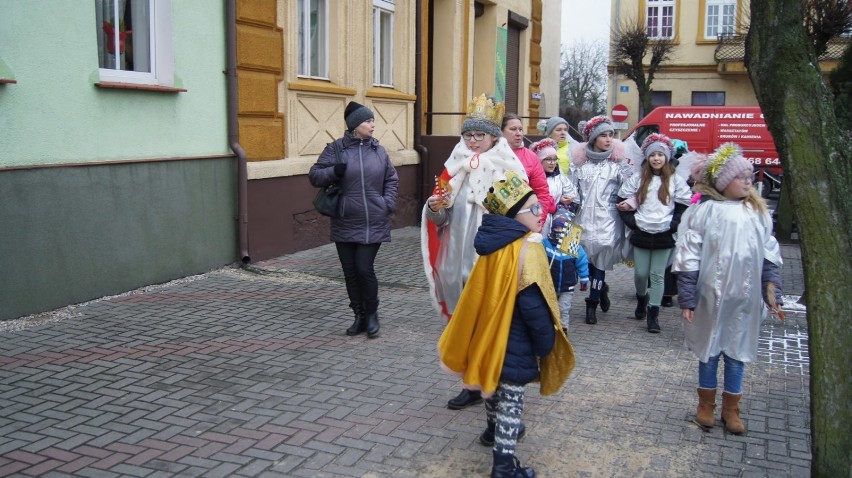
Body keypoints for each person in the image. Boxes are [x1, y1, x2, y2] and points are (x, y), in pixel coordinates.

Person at [438, 171, 573, 478]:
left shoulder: (492, 242)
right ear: (515, 214)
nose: (542, 214)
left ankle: (490, 430)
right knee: (511, 401)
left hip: (488, 334)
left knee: (491, 386)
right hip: (516, 341)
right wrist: (546, 343)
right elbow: (533, 303)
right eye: (535, 210)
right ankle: (503, 466)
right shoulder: (528, 248)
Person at [422, 94, 528, 410]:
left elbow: (522, 216)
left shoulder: (508, 166)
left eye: (478, 135)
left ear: (493, 136)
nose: (472, 140)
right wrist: (434, 207)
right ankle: (468, 381)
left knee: (489, 319)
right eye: (468, 134)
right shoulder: (454, 164)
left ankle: (494, 379)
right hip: (454, 258)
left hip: (490, 257)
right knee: (462, 321)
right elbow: (438, 217)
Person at [672, 142, 783, 435]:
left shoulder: (758, 214)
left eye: (750, 176)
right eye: (740, 176)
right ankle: (705, 406)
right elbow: (688, 257)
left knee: (736, 353)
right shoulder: (704, 213)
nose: (749, 180)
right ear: (723, 183)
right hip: (710, 298)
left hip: (744, 302)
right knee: (709, 352)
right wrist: (687, 297)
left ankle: (731, 409)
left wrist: (772, 291)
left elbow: (769, 255)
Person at [309, 101, 399, 338]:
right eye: (368, 121)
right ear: (354, 125)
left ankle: (372, 315)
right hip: (345, 219)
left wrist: (386, 203)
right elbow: (315, 176)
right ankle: (358, 316)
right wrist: (333, 171)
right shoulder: (336, 149)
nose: (372, 124)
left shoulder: (378, 150)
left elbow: (391, 179)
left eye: (372, 120)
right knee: (349, 271)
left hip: (373, 219)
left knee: (363, 268)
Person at [616, 134, 691, 333]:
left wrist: (673, 224)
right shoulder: (638, 178)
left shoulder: (676, 180)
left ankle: (653, 314)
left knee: (657, 275)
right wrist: (632, 223)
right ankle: (642, 299)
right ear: (647, 158)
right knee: (641, 274)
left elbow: (684, 205)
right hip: (642, 231)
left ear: (666, 157)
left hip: (664, 234)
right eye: (653, 155)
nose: (656, 158)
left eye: (660, 155)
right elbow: (622, 200)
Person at [569, 115, 634, 325]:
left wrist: (630, 202)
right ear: (593, 138)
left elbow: (633, 188)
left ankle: (592, 303)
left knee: (600, 266)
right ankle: (601, 289)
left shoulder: (618, 166)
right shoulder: (578, 167)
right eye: (603, 135)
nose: (608, 139)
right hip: (581, 223)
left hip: (607, 223)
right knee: (580, 265)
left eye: (611, 135)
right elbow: (571, 191)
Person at [502, 113, 556, 222]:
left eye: (520, 129)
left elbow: (542, 193)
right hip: (494, 221)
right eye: (513, 129)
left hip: (523, 221)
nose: (518, 133)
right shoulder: (490, 154)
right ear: (501, 132)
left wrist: (539, 221)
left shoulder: (531, 157)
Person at [542, 217, 589, 333]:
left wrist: (584, 279)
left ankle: (563, 329)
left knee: (564, 308)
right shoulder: (545, 244)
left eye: (561, 229)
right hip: (550, 285)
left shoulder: (574, 247)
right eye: (556, 228)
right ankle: (550, 329)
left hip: (567, 285)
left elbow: (582, 263)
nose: (558, 231)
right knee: (549, 308)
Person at [661, 138, 691, 307]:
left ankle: (667, 292)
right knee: (668, 258)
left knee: (670, 258)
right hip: (670, 221)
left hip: (674, 221)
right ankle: (666, 292)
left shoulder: (678, 174)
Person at [530, 138, 578, 234]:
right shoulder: (532, 178)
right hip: (536, 221)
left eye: (555, 159)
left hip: (556, 225)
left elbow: (573, 194)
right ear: (539, 160)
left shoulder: (559, 176)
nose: (552, 163)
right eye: (548, 159)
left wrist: (562, 201)